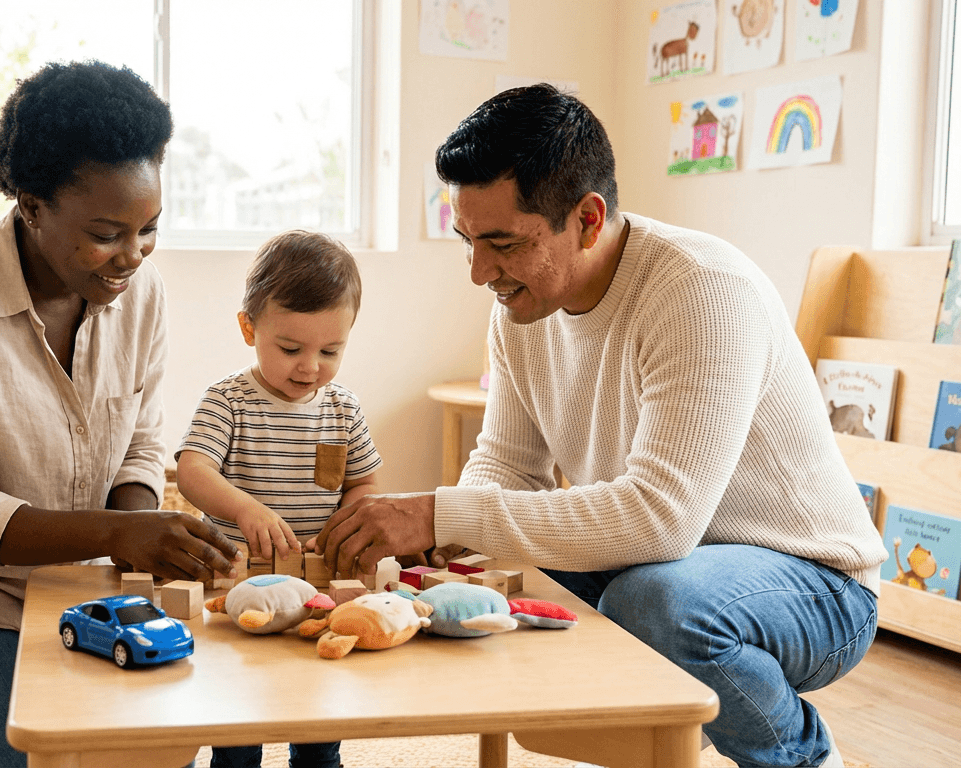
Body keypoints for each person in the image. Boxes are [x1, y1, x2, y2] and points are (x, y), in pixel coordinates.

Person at [315, 84, 886, 768]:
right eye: (467, 242)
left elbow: (660, 517)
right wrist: (447, 545)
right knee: (489, 584)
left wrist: (439, 515)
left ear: (587, 218)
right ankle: (654, 727)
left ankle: (802, 759)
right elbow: (506, 467)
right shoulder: (521, 306)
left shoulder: (701, 290)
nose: (478, 272)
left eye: (501, 243)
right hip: (660, 561)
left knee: (656, 602)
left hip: (814, 582)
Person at [0, 60, 240, 768]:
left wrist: (140, 543)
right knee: (27, 760)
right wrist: (123, 532)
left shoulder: (140, 293)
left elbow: (140, 443)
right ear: (31, 205)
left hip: (67, 576)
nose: (132, 256)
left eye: (148, 228)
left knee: (163, 751)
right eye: (106, 232)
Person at [175, 230, 382, 768]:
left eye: (330, 350)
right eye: (290, 348)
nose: (310, 366)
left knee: (316, 709)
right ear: (249, 328)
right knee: (239, 716)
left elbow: (365, 484)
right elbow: (192, 471)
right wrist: (244, 507)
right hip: (237, 584)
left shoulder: (342, 409)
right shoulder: (229, 399)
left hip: (316, 582)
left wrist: (345, 526)